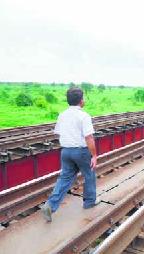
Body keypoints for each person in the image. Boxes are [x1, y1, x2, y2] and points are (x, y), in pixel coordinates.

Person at [41, 87, 99, 222]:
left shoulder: (62, 115)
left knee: (64, 178)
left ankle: (50, 205)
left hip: (66, 151)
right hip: (81, 151)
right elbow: (89, 138)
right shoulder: (84, 116)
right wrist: (94, 155)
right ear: (81, 101)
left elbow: (59, 133)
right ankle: (89, 202)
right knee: (89, 174)